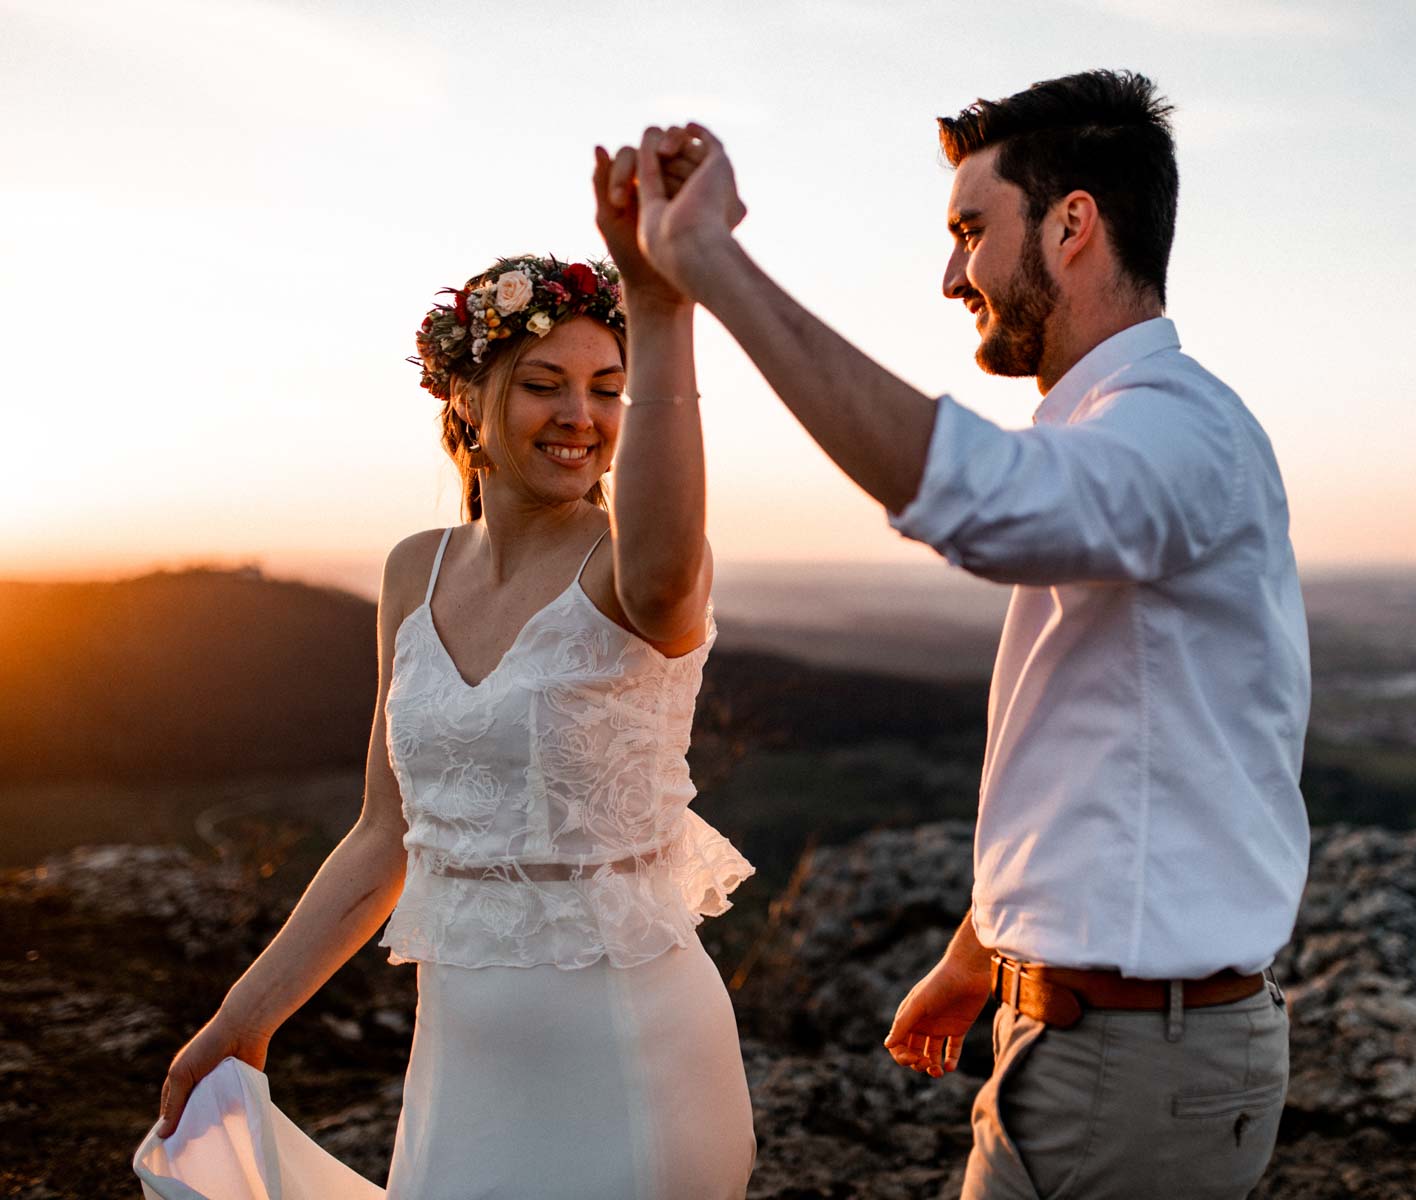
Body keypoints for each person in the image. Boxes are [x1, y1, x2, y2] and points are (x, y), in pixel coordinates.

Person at [621, 71, 1310, 1198]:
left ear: (1073, 223)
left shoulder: (1181, 433)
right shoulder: (1129, 431)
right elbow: (1113, 757)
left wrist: (714, 267)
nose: (952, 276)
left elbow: (984, 501)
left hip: (1136, 1067)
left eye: (971, 231)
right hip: (1104, 1043)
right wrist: (981, 949)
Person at [138, 136, 757, 1199]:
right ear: (466, 398)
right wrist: (241, 1023)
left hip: (634, 1056)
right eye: (544, 384)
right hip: (462, 1063)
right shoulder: (412, 572)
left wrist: (664, 303)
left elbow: (661, 575)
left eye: (611, 389)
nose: (582, 417)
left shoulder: (639, 567)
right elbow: (388, 833)